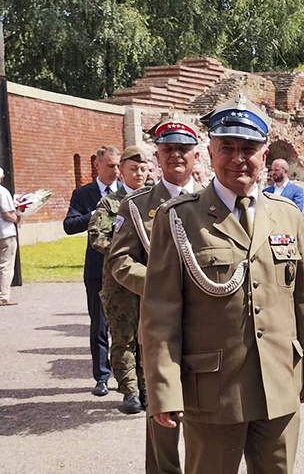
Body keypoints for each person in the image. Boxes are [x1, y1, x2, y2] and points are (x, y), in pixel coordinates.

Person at [140, 94, 304, 474]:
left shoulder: (286, 216)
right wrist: (164, 391)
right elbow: (160, 315)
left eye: (249, 148)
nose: (239, 157)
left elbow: (303, 300)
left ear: (265, 153)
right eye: (228, 147)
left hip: (278, 384)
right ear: (211, 151)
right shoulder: (178, 219)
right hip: (214, 392)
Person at [108, 117, 202, 474]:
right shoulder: (136, 205)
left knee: (206, 412)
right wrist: (163, 285)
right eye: (168, 150)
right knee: (162, 411)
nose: (176, 156)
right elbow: (120, 261)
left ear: (196, 156)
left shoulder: (213, 198)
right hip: (160, 325)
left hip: (208, 322)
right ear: (157, 159)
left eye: (183, 149)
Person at [88, 146, 149, 414]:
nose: (139, 173)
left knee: (150, 339)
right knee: (124, 339)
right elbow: (97, 236)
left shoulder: (155, 202)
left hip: (151, 281)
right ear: (121, 171)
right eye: (133, 169)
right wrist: (126, 250)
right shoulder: (110, 203)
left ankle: (148, 389)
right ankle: (130, 392)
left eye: (143, 169)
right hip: (120, 282)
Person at [63, 146, 120, 396]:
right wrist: (95, 214)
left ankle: (130, 374)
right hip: (97, 268)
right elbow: (69, 225)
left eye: (118, 166)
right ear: (97, 165)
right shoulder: (83, 194)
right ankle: (101, 376)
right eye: (110, 166)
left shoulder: (130, 193)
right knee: (99, 323)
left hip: (127, 266)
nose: (116, 171)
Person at [0, 167, 19, 307]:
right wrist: (17, 218)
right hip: (5, 232)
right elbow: (7, 213)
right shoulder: (2, 191)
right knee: (6, 265)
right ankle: (3, 296)